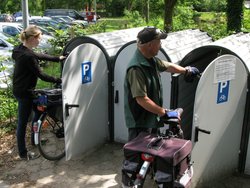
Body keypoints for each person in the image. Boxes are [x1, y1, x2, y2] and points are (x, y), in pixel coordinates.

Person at [124, 26, 200, 141]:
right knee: (138, 156)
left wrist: (186, 70)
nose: (160, 46)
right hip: (140, 124)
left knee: (153, 152)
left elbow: (167, 66)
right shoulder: (136, 69)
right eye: (159, 42)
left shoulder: (150, 59)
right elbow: (141, 99)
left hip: (151, 118)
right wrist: (164, 113)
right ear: (150, 45)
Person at [12, 25, 66, 160]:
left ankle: (34, 140)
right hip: (25, 92)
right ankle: (23, 154)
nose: (40, 41)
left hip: (20, 89)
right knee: (22, 123)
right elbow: (41, 75)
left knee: (38, 112)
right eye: (39, 39)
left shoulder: (19, 49)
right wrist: (60, 79)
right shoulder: (28, 56)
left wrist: (57, 58)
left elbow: (39, 55)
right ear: (32, 38)